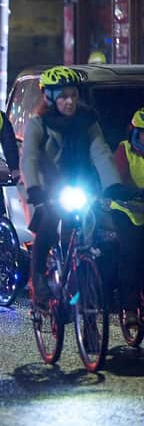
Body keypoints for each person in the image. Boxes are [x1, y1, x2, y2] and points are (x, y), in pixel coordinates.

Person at [20, 65, 132, 311]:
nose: (69, 101)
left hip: (80, 181)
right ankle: (38, 279)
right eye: (63, 96)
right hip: (49, 185)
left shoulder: (87, 120)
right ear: (49, 98)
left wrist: (112, 184)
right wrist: (35, 189)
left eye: (73, 95)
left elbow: (101, 152)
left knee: (96, 231)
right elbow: (28, 158)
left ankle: (85, 286)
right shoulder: (39, 123)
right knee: (48, 224)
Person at [110, 107, 144, 326]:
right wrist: (131, 192)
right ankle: (130, 307)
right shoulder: (124, 150)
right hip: (127, 209)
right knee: (131, 253)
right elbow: (119, 177)